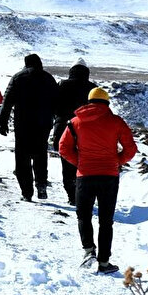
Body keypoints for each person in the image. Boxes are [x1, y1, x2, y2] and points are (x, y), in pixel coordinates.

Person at [59, 87, 137, 274]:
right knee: (106, 220)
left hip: (85, 175)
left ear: (89, 101)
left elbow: (63, 147)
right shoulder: (116, 122)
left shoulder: (75, 122)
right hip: (109, 176)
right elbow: (131, 149)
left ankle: (88, 250)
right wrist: (116, 161)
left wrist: (80, 162)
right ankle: (103, 262)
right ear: (107, 103)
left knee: (83, 215)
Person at [0, 54, 59, 201]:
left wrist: (3, 122)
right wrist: (56, 120)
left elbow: (7, 102)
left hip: (23, 125)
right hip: (43, 124)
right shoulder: (49, 78)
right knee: (40, 155)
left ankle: (27, 192)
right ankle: (41, 185)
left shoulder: (18, 78)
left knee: (22, 158)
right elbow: (57, 102)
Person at [53, 58, 97, 205]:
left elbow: (55, 107)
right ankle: (82, 194)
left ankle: (72, 195)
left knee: (66, 163)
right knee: (83, 164)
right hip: (86, 132)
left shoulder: (62, 85)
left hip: (63, 128)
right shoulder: (93, 88)